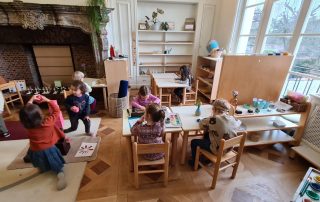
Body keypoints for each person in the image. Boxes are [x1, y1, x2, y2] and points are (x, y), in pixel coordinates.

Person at [19, 95, 67, 190]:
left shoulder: (27, 126)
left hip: (34, 149)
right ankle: (60, 175)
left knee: (39, 161)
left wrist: (31, 99)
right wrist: (47, 100)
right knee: (55, 163)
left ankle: (42, 169)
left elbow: (26, 112)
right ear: (40, 114)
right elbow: (57, 111)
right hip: (48, 149)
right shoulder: (48, 122)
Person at [189, 99, 242, 167]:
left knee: (194, 142)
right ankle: (206, 158)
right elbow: (239, 124)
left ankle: (194, 164)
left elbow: (201, 124)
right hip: (229, 148)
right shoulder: (232, 118)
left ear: (215, 109)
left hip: (218, 150)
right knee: (208, 134)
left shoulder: (214, 119)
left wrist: (211, 116)